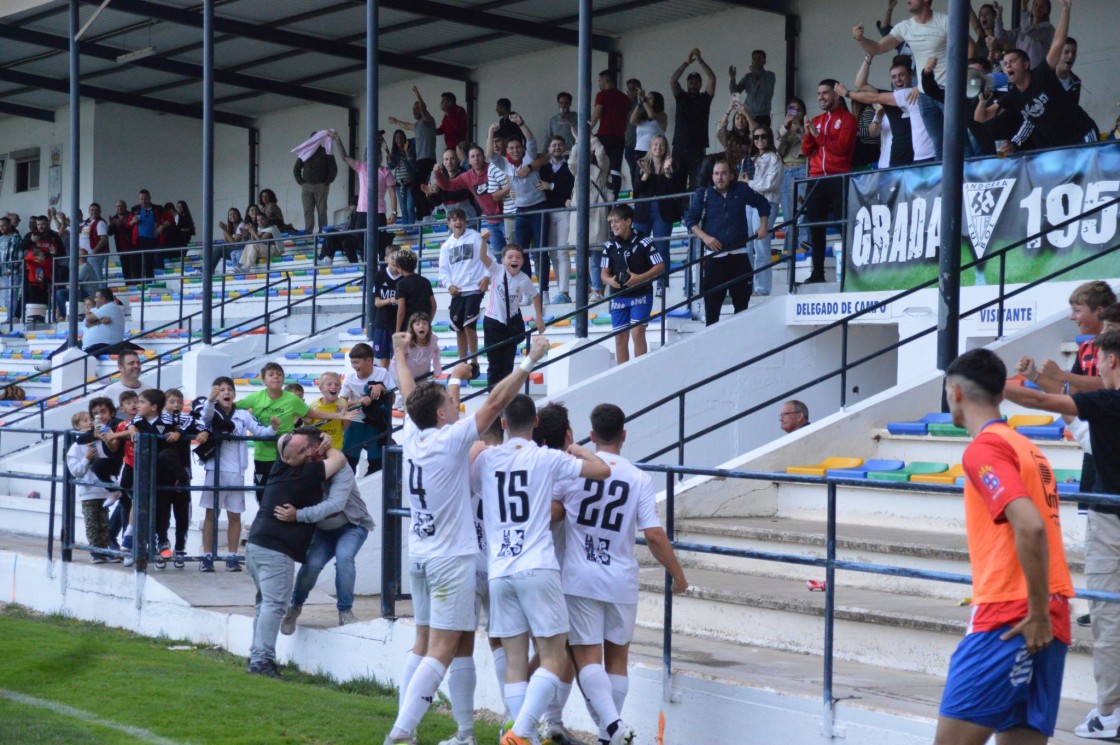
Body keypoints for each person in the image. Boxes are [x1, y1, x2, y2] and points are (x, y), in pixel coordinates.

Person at [382, 332, 552, 745]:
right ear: (442, 416)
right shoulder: (456, 440)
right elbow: (494, 402)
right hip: (454, 558)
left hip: (420, 553)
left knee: (429, 644)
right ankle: (402, 731)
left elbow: (409, 393)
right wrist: (528, 360)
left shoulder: (411, 435)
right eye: (448, 402)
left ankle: (457, 733)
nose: (453, 404)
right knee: (446, 648)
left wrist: (400, 352)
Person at [933, 349, 1073, 745]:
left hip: (1012, 614)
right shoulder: (1029, 447)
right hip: (1052, 609)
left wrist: (1035, 610)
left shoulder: (984, 449)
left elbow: (1030, 527)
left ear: (955, 392)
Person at [471, 394, 610, 745]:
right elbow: (602, 471)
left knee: (516, 663)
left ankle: (522, 734)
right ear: (535, 423)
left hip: (500, 568)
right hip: (538, 566)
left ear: (502, 423)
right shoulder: (547, 457)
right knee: (554, 655)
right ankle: (520, 732)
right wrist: (581, 451)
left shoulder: (487, 460)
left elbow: (470, 477)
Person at [1002, 328, 1120, 740]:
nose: (1094, 368)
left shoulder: (1109, 401)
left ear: (1111, 361)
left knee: (1108, 614)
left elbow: (1043, 402)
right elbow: (1077, 419)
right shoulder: (1102, 407)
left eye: (1098, 361)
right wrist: (1037, 377)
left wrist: (988, 385)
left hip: (1112, 518)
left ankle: (1111, 714)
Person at [553, 403, 688, 745]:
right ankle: (607, 735)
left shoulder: (574, 469)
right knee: (617, 658)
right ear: (624, 435)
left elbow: (550, 513)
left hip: (580, 576)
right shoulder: (639, 478)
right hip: (621, 578)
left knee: (586, 656)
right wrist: (677, 575)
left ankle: (611, 727)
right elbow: (655, 535)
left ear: (592, 435)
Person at [246, 427, 347, 678]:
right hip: (275, 550)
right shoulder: (307, 472)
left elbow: (287, 441)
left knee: (264, 605)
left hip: (256, 545)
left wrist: (318, 440)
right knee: (274, 605)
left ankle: (256, 656)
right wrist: (329, 442)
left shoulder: (280, 466)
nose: (289, 455)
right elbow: (340, 459)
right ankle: (261, 661)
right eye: (291, 453)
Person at [975, 1, 1097, 155]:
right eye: (1005, 64)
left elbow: (1058, 43)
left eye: (1012, 62)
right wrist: (981, 101)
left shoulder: (1042, 74)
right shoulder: (1014, 96)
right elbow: (981, 117)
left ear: (1026, 64)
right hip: (1060, 145)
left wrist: (1065, 9)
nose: (1008, 66)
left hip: (1083, 134)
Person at [280, 443, 374, 629]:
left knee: (344, 558)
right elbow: (284, 443)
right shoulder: (303, 471)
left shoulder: (341, 468)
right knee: (311, 565)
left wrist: (298, 515)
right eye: (309, 457)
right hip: (322, 531)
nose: (316, 461)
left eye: (319, 456)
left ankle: (345, 611)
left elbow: (334, 505)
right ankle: (295, 607)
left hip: (352, 525)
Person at [198, 377, 277, 573]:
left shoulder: (242, 414)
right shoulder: (211, 410)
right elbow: (205, 417)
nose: (226, 393)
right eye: (221, 390)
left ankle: (232, 556)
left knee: (235, 515)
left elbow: (261, 431)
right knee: (211, 513)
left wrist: (274, 427)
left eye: (229, 390)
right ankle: (207, 556)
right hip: (215, 470)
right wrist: (210, 399)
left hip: (237, 471)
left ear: (234, 394)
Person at [854, 0, 949, 160]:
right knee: (938, 144)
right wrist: (861, 39)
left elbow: (970, 49)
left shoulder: (945, 20)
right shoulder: (905, 27)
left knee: (958, 139)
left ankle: (967, 182)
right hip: (924, 92)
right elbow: (877, 48)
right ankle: (941, 183)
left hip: (948, 89)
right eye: (894, 76)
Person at [683, 158, 771, 326]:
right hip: (714, 258)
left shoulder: (742, 189)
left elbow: (763, 204)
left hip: (740, 256)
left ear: (732, 175)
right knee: (712, 308)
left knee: (742, 306)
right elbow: (691, 221)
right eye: (716, 174)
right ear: (712, 176)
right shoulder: (703, 193)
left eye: (724, 173)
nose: (720, 177)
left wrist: (763, 226)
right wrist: (705, 238)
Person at [800, 80, 857, 284]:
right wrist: (808, 134)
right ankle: (817, 274)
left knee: (844, 226)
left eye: (825, 93)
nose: (820, 97)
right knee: (816, 228)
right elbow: (806, 151)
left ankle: (852, 273)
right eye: (818, 93)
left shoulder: (848, 119)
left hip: (838, 177)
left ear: (836, 95)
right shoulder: (817, 119)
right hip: (816, 179)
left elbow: (841, 148)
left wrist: (818, 135)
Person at [837, 59, 934, 165]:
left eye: (902, 75)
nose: (898, 79)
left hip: (924, 156)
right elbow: (860, 85)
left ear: (910, 75)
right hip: (899, 158)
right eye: (894, 77)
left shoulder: (921, 93)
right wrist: (868, 57)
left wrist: (919, 87)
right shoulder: (886, 98)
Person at [601, 205, 664, 364]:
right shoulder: (609, 245)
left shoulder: (645, 241)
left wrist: (640, 278)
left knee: (637, 333)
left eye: (617, 221)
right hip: (618, 296)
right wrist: (610, 281)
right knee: (620, 337)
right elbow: (603, 274)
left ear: (628, 221)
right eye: (611, 222)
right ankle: (623, 375)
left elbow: (660, 266)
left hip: (641, 293)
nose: (613, 225)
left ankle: (639, 371)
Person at [479, 245, 544, 388]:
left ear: (522, 261)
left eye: (518, 257)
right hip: (493, 322)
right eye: (510, 257)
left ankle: (505, 399)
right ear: (503, 260)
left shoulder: (524, 279)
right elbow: (483, 256)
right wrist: (483, 240)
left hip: (511, 325)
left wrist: (539, 319)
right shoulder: (497, 270)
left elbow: (536, 296)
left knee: (507, 366)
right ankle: (494, 399)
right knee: (495, 366)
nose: (514, 260)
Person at [433, 144, 511, 260]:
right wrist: (438, 174)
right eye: (473, 156)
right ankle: (503, 279)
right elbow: (448, 185)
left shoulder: (494, 168)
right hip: (491, 221)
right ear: (468, 160)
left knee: (513, 252)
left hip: (507, 217)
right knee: (499, 257)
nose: (476, 159)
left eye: (478, 155)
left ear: (484, 157)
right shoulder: (467, 176)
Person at [331, 131, 398, 263]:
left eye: (377, 153)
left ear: (380, 156)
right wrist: (337, 140)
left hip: (378, 213)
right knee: (360, 244)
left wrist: (394, 212)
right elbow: (344, 157)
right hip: (362, 214)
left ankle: (381, 268)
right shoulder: (362, 167)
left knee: (379, 244)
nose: (375, 156)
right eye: (372, 153)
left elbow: (392, 192)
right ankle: (360, 270)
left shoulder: (386, 172)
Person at [439, 208, 488, 378]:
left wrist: (487, 277)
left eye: (460, 218)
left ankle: (474, 362)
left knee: (469, 325)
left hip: (474, 288)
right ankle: (463, 362)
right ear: (449, 223)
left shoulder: (475, 237)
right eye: (454, 219)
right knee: (458, 327)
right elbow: (443, 271)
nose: (457, 222)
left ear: (465, 221)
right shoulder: (446, 246)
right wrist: (449, 285)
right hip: (457, 292)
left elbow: (489, 259)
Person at [631, 134, 683, 296]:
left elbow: (675, 190)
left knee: (661, 248)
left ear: (665, 147)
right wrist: (645, 174)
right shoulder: (642, 164)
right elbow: (636, 190)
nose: (658, 148)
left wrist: (668, 172)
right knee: (638, 247)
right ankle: (639, 282)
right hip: (643, 211)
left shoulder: (672, 164)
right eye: (655, 145)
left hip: (663, 212)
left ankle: (661, 283)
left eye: (661, 145)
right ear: (650, 147)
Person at [567, 131, 611, 303]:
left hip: (596, 214)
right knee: (580, 258)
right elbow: (571, 161)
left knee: (596, 256)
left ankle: (597, 289)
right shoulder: (578, 171)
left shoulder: (602, 168)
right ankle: (582, 289)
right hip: (579, 216)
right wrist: (578, 141)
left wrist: (592, 138)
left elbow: (601, 154)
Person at [67, 411, 116, 563]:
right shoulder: (76, 447)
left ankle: (105, 550)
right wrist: (86, 459)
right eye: (84, 421)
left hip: (103, 490)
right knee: (92, 523)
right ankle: (95, 552)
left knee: (104, 523)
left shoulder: (101, 441)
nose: (89, 423)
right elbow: (76, 471)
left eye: (90, 420)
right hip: (88, 491)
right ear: (76, 426)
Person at [339, 342, 394, 475]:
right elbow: (341, 404)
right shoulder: (349, 379)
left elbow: (392, 400)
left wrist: (381, 388)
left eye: (357, 362)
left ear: (369, 360)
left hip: (376, 421)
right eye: (352, 363)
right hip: (355, 421)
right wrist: (360, 402)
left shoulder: (382, 373)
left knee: (376, 459)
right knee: (350, 457)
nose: (354, 366)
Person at [388, 86, 438, 221]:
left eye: (417, 109)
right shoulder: (417, 125)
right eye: (413, 110)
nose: (415, 111)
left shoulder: (428, 120)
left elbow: (423, 109)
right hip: (421, 160)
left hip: (427, 159)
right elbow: (407, 125)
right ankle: (423, 214)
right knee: (418, 188)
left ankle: (426, 213)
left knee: (416, 186)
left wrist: (418, 96)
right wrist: (396, 121)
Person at [670, 48, 716, 192]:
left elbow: (712, 79)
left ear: (700, 84)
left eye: (696, 82)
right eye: (690, 82)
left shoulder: (705, 98)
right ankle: (678, 213)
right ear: (687, 83)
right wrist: (686, 63)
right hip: (679, 147)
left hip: (697, 148)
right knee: (677, 184)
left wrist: (700, 60)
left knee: (697, 185)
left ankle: (692, 213)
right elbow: (673, 80)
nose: (693, 84)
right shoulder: (681, 97)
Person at [537, 135, 575, 305]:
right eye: (554, 145)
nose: (557, 148)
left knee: (562, 251)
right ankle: (561, 292)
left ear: (565, 147)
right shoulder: (543, 169)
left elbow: (571, 187)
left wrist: (551, 186)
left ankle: (564, 291)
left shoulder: (570, 167)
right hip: (547, 212)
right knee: (553, 253)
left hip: (563, 211)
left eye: (560, 145)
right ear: (549, 149)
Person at [747, 126, 782, 297]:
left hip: (767, 202)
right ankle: (751, 284)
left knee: (761, 244)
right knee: (749, 245)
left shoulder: (775, 158)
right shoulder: (752, 158)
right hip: (751, 203)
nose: (759, 140)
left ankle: (762, 288)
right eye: (756, 137)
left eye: (763, 137)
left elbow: (771, 183)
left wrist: (750, 184)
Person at [590, 70, 632, 197]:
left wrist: (585, 131)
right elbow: (627, 121)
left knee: (595, 165)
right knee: (615, 169)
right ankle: (614, 196)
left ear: (605, 80)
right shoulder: (625, 98)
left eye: (599, 81)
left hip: (604, 135)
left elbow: (596, 115)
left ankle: (595, 194)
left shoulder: (602, 95)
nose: (599, 84)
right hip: (619, 138)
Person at [293, 131, 338, 235]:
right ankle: (308, 232)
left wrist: (327, 182)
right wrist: (301, 182)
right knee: (308, 211)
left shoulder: (326, 152)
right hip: (306, 185)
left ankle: (323, 232)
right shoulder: (304, 152)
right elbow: (296, 169)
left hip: (321, 185)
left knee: (322, 211)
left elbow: (333, 169)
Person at [729, 49, 777, 127]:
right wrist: (732, 79)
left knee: (761, 137)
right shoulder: (747, 77)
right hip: (747, 114)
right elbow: (735, 93)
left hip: (763, 116)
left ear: (764, 62)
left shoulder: (770, 75)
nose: (756, 61)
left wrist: (755, 72)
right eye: (754, 59)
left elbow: (767, 89)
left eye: (759, 59)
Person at [394, 247, 437, 334]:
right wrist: (427, 322)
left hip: (409, 327)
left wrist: (398, 330)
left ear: (400, 267)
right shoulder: (425, 281)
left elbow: (401, 310)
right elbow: (434, 305)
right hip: (424, 328)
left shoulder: (401, 284)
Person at [371, 249, 402, 368]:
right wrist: (391, 300)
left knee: (399, 357)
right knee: (384, 358)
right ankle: (384, 385)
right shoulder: (380, 275)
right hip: (382, 323)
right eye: (393, 257)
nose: (395, 260)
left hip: (399, 324)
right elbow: (377, 303)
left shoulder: (404, 277)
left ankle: (400, 385)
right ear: (386, 259)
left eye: (398, 257)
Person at [388, 129, 419, 227]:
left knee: (410, 207)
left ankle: (412, 229)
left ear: (404, 138)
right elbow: (391, 167)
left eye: (400, 137)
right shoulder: (394, 153)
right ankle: (406, 230)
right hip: (399, 185)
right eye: (396, 138)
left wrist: (407, 152)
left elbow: (414, 165)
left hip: (410, 183)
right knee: (403, 209)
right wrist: (389, 158)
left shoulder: (410, 149)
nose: (399, 139)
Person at [81, 288, 126, 356]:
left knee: (78, 359)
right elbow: (87, 324)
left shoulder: (109, 306)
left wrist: (88, 311)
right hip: (99, 345)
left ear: (103, 299)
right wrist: (100, 321)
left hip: (107, 345)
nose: (95, 300)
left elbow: (88, 318)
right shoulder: (101, 309)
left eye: (96, 297)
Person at [78, 202, 110, 286]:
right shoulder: (86, 222)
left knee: (97, 276)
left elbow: (104, 239)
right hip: (84, 255)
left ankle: (102, 294)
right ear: (88, 211)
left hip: (95, 255)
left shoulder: (100, 223)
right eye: (92, 210)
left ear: (100, 212)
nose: (94, 212)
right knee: (88, 277)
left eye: (96, 210)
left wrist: (94, 252)